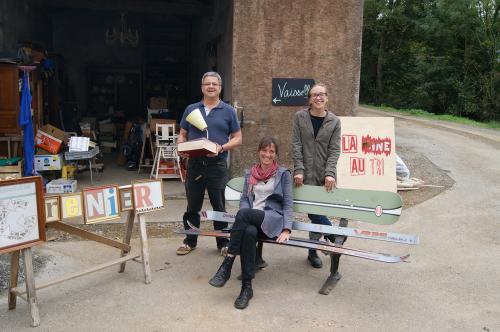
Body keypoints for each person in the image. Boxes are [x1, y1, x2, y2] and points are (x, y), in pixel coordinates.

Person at [208, 137, 292, 309]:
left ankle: (228, 261)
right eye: (264, 150)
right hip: (251, 221)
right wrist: (245, 213)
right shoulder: (251, 173)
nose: (267, 155)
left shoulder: (283, 174)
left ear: (275, 155)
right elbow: (246, 199)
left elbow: (288, 203)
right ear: (258, 151)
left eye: (271, 151)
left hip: (270, 220)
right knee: (249, 233)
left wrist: (287, 229)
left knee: (244, 215)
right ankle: (247, 288)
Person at [176, 72, 242, 256]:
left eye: (214, 84)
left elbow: (238, 138)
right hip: (195, 164)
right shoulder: (191, 109)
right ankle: (190, 241)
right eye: (207, 84)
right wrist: (180, 144)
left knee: (219, 206)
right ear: (202, 87)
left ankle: (223, 243)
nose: (211, 86)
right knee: (192, 207)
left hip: (217, 165)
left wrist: (222, 147)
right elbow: (182, 132)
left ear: (220, 88)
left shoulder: (228, 111)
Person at [292, 83, 341, 268]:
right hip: (303, 175)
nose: (318, 98)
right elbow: (296, 144)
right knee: (313, 211)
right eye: (314, 95)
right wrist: (298, 169)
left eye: (321, 94)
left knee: (317, 211)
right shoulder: (300, 117)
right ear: (309, 99)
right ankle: (333, 235)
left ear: (327, 97)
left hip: (324, 175)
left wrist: (330, 174)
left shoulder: (334, 121)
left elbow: (334, 150)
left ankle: (313, 252)